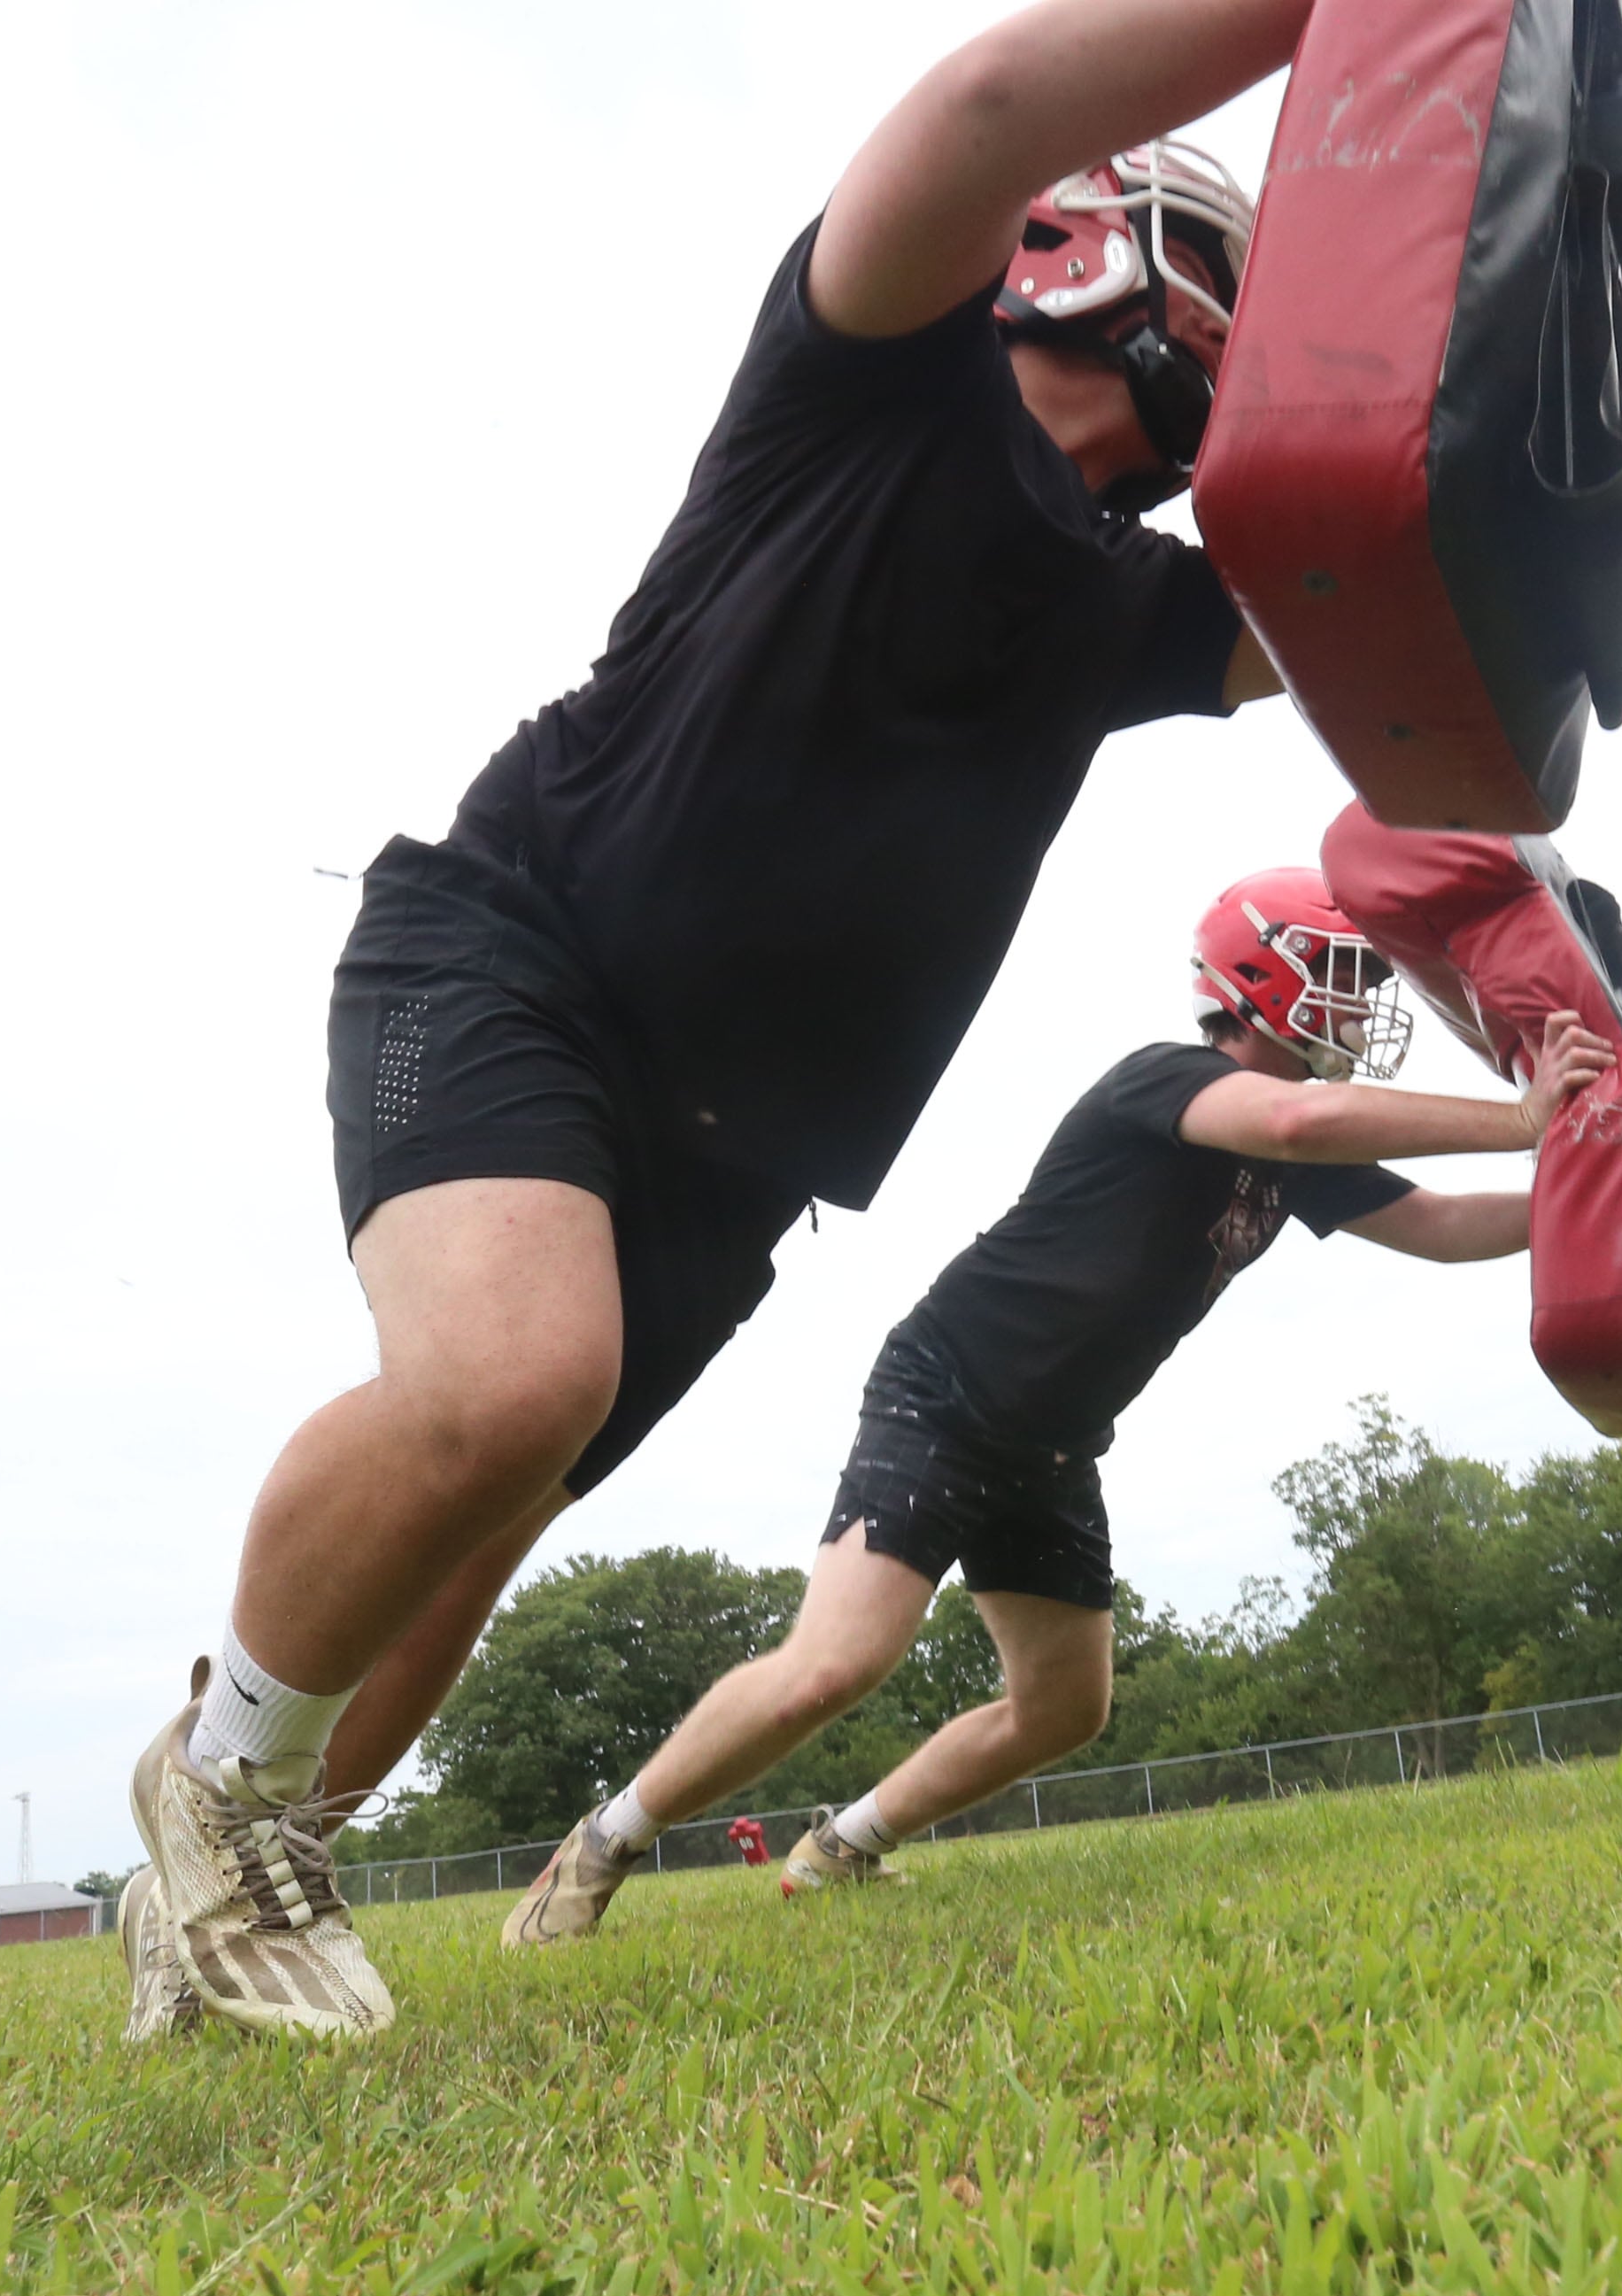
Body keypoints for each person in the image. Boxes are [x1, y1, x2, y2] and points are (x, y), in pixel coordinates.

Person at [127, 0, 1333, 2041]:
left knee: (487, 1513)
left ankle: (237, 1896)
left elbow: (1402, 615)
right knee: (506, 1385)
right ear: (1088, 245)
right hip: (517, 954)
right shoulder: (870, 379)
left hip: (737, 1150)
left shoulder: (1132, 603)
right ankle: (219, 1787)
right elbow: (985, 98)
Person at [496, 874, 1611, 1944]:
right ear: (1261, 976)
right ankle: (599, 1845)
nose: (1361, 1002)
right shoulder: (1168, 1079)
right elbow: (1285, 1121)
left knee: (1065, 1703)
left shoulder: (1302, 1147)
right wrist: (1521, 1116)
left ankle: (841, 1846)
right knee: (835, 1663)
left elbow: (1441, 1224)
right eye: (1338, 973)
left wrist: (1591, 1179)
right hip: (946, 1391)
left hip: (1051, 1441)